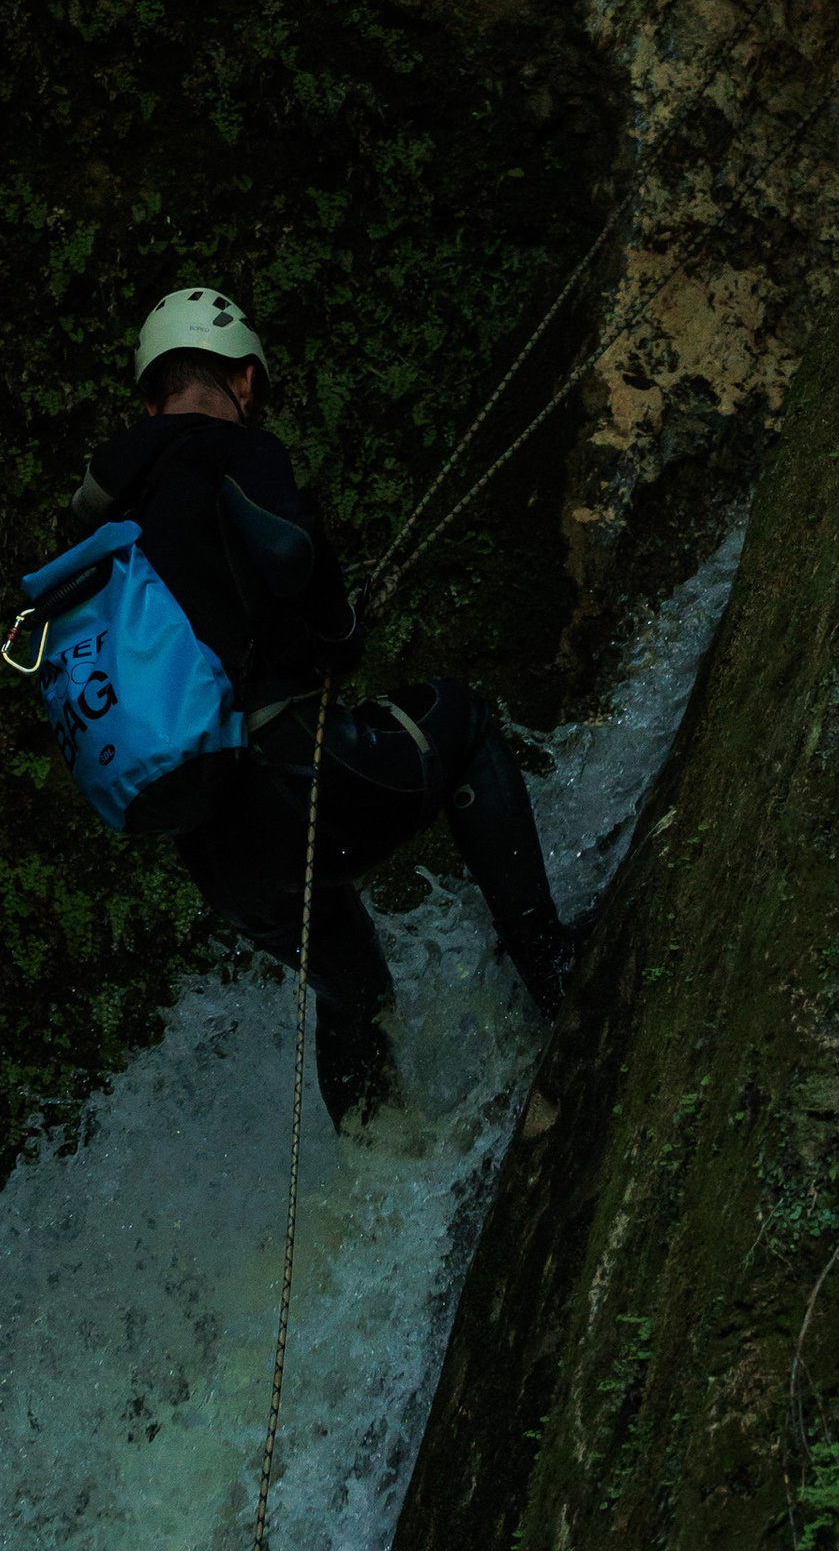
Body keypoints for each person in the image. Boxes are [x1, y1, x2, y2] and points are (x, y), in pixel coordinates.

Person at [61, 285, 582, 1126]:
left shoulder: (97, 526)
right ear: (245, 380)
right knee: (465, 721)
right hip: (299, 786)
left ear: (146, 397)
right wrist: (334, 625)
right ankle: (555, 973)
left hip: (218, 855)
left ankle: (373, 1180)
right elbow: (304, 578)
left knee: (355, 994)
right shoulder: (233, 452)